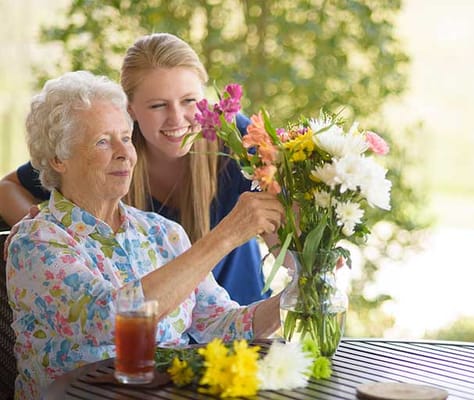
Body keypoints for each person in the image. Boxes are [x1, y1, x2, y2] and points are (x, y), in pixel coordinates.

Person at [5, 70, 284, 399]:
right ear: (58, 159)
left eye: (126, 137)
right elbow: (111, 320)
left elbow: (220, 326)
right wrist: (223, 238)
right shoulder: (35, 241)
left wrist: (298, 295)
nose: (125, 152)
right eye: (103, 142)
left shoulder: (163, 232)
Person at [0, 32, 275, 305]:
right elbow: (7, 188)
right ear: (129, 110)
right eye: (157, 105)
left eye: (189, 100)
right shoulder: (108, 155)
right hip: (149, 328)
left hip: (239, 315)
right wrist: (41, 229)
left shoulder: (234, 137)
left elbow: (281, 223)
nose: (177, 118)